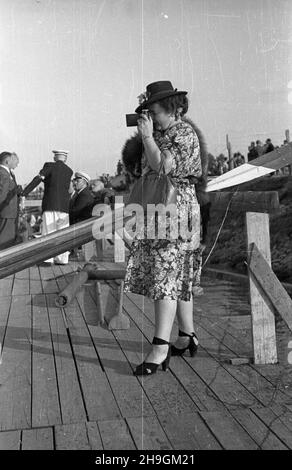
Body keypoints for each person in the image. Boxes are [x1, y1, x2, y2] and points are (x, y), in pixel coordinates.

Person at [123, 80, 204, 376]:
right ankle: (187, 335)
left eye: (154, 112)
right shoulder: (162, 133)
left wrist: (146, 138)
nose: (150, 119)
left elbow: (163, 168)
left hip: (175, 210)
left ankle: (160, 347)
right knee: (176, 272)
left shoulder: (182, 133)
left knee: (164, 276)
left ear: (173, 109)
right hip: (163, 207)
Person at [22, 150, 73, 264]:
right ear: (65, 159)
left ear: (55, 157)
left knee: (48, 232)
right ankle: (62, 259)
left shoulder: (49, 166)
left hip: (50, 204)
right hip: (64, 206)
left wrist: (24, 193)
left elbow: (38, 179)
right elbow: (69, 189)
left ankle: (48, 259)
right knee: (63, 233)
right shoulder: (69, 171)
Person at [0, 151, 22, 249]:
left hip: (9, 212)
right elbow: (2, 194)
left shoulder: (6, 173)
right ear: (7, 161)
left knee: (8, 240)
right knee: (5, 241)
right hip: (6, 212)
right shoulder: (3, 173)